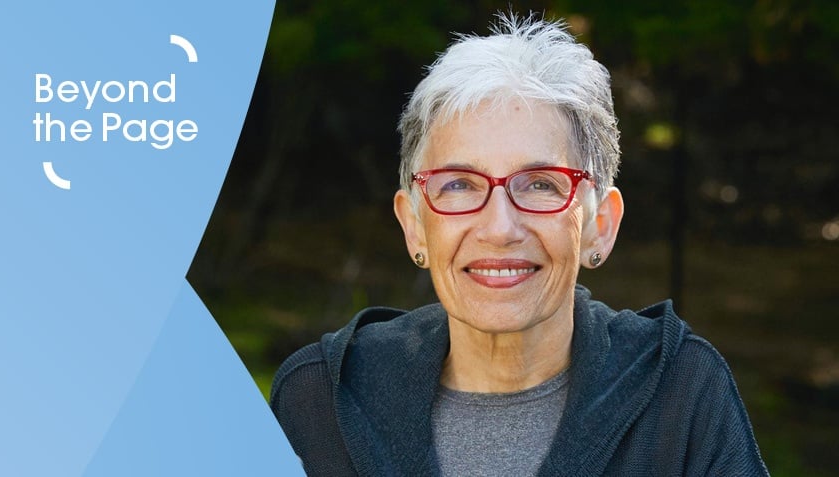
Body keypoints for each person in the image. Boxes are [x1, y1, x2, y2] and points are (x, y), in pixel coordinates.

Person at [270, 12, 769, 476]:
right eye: (459, 184)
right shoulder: (318, 403)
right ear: (415, 226)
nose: (500, 228)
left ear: (601, 224)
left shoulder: (681, 397)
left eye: (540, 184)